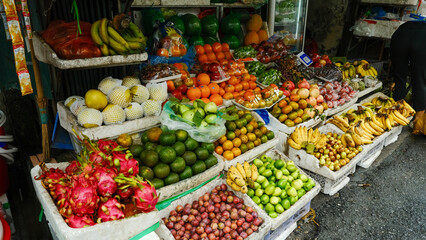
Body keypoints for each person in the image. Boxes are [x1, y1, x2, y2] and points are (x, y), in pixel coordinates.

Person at [390, 19, 426, 128]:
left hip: (400, 37)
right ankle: (418, 120)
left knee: (399, 77)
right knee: (420, 80)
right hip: (421, 41)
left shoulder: (408, 25)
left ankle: (395, 114)